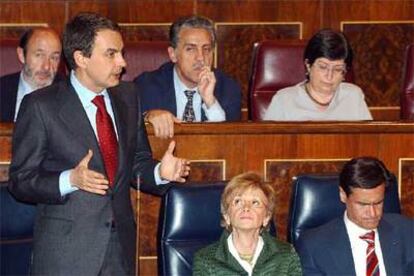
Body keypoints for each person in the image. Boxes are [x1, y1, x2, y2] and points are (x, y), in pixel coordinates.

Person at [8, 12, 190, 276]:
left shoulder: (127, 96)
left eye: (122, 53)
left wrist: (159, 173)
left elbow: (136, 164)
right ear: (81, 58)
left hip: (120, 250)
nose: (122, 62)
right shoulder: (41, 106)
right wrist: (69, 179)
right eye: (111, 54)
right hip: (66, 253)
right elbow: (20, 181)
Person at [296, 157, 414, 275]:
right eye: (363, 204)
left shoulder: (407, 231)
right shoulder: (314, 246)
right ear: (343, 195)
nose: (373, 213)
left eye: (378, 203)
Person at [134, 15, 242, 139]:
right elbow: (130, 133)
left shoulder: (228, 89)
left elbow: (231, 142)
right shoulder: (146, 86)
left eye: (206, 49)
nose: (200, 58)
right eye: (190, 49)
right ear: (173, 54)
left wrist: (211, 103)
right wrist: (148, 116)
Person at [193, 172, 301, 276]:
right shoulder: (205, 260)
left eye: (255, 202)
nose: (246, 208)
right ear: (226, 215)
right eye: (238, 201)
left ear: (266, 217)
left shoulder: (286, 254)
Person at [264, 29, 372, 121]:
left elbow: (368, 142)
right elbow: (267, 144)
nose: (329, 76)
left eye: (338, 69)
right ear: (308, 65)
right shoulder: (283, 101)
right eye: (323, 67)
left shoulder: (353, 96)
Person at [0, 27, 63, 122]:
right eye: (39, 55)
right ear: (21, 55)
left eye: (54, 58)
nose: (46, 67)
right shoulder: (2, 88)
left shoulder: (69, 93)